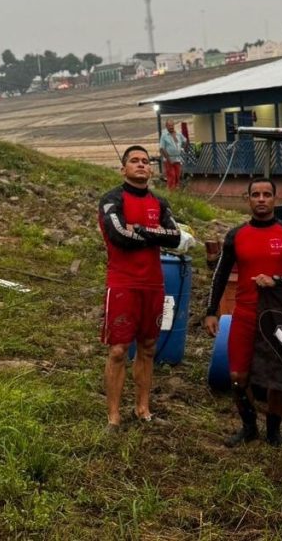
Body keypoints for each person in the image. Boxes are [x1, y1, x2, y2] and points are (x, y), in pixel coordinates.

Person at [204, 178, 282, 447]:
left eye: (267, 194)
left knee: (278, 378)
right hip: (245, 315)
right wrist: (210, 311)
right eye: (256, 194)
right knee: (237, 377)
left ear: (275, 199)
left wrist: (277, 280)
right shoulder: (236, 235)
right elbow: (220, 274)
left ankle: (274, 431)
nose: (261, 199)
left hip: (280, 317)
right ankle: (249, 427)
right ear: (248, 199)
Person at [98, 145, 181, 430]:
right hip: (122, 284)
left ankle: (142, 408)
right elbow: (119, 235)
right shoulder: (112, 199)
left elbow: (175, 237)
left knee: (147, 347)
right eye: (134, 161)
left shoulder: (161, 204)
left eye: (146, 161)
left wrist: (141, 230)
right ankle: (113, 416)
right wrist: (153, 234)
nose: (141, 165)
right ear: (123, 169)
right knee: (119, 350)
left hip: (154, 284)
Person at [159, 119, 187, 190]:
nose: (171, 127)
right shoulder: (164, 135)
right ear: (166, 126)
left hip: (177, 158)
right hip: (169, 159)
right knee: (172, 175)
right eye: (169, 126)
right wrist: (168, 159)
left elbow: (185, 141)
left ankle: (176, 191)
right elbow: (162, 148)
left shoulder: (178, 134)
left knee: (178, 175)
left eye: (172, 125)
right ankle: (171, 191)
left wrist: (182, 148)